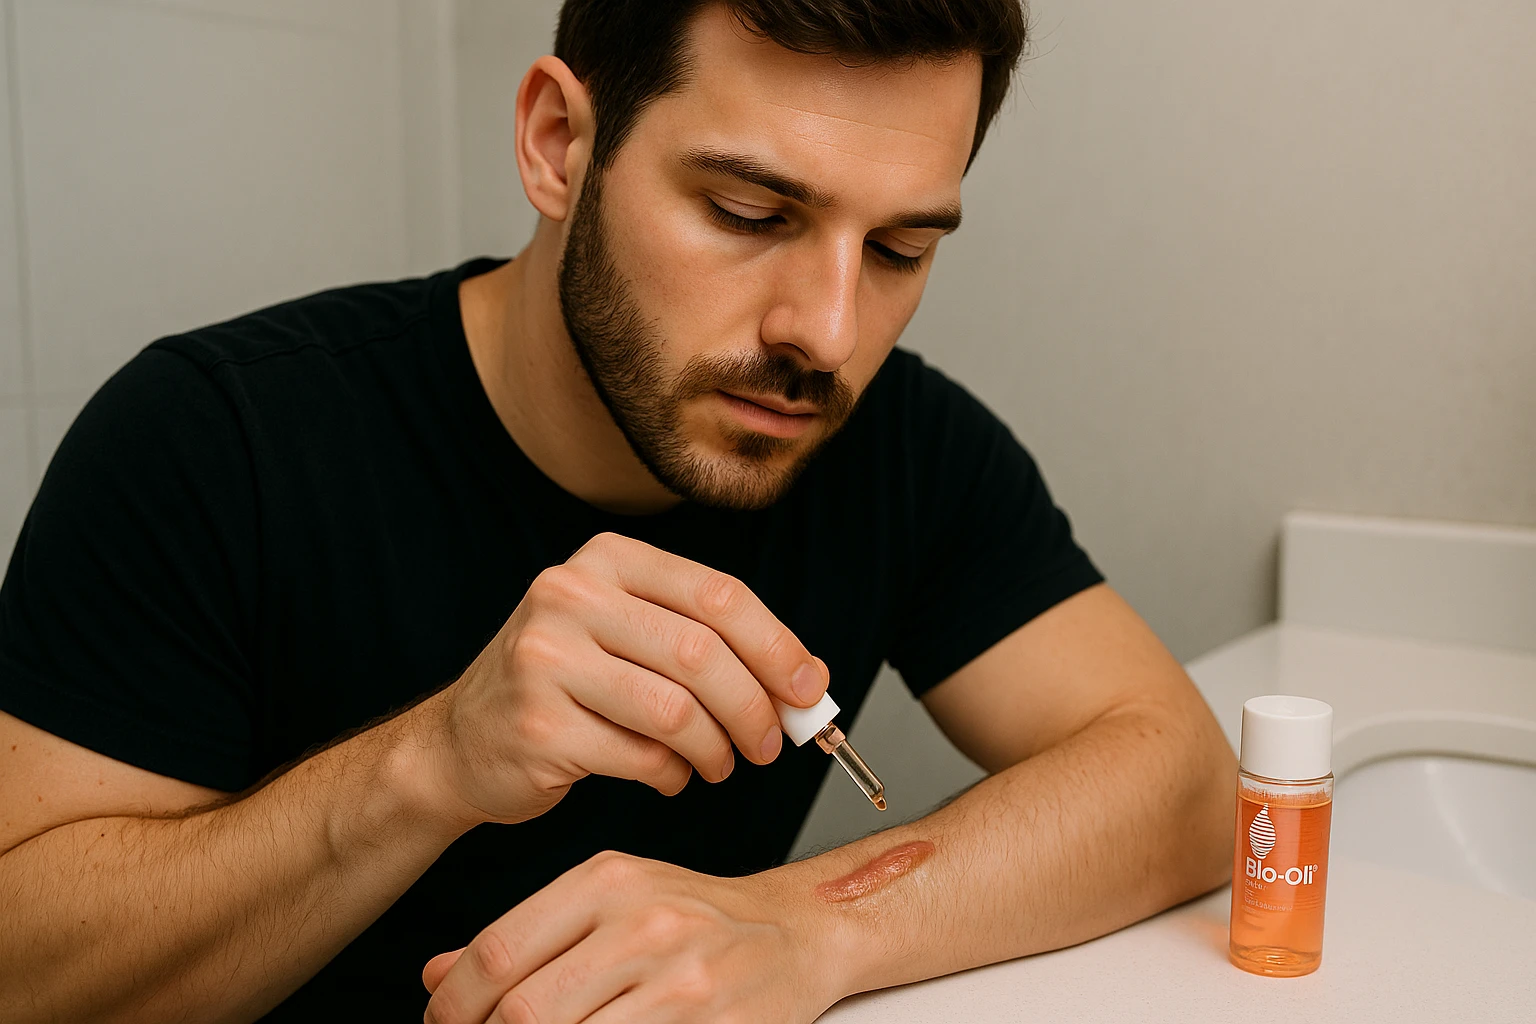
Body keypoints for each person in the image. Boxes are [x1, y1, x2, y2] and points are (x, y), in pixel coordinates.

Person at [0, 1, 1236, 1021]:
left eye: (903, 248)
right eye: (752, 214)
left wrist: (807, 923)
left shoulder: (896, 440)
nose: (829, 332)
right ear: (556, 145)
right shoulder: (215, 438)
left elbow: (1184, 784)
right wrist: (426, 765)